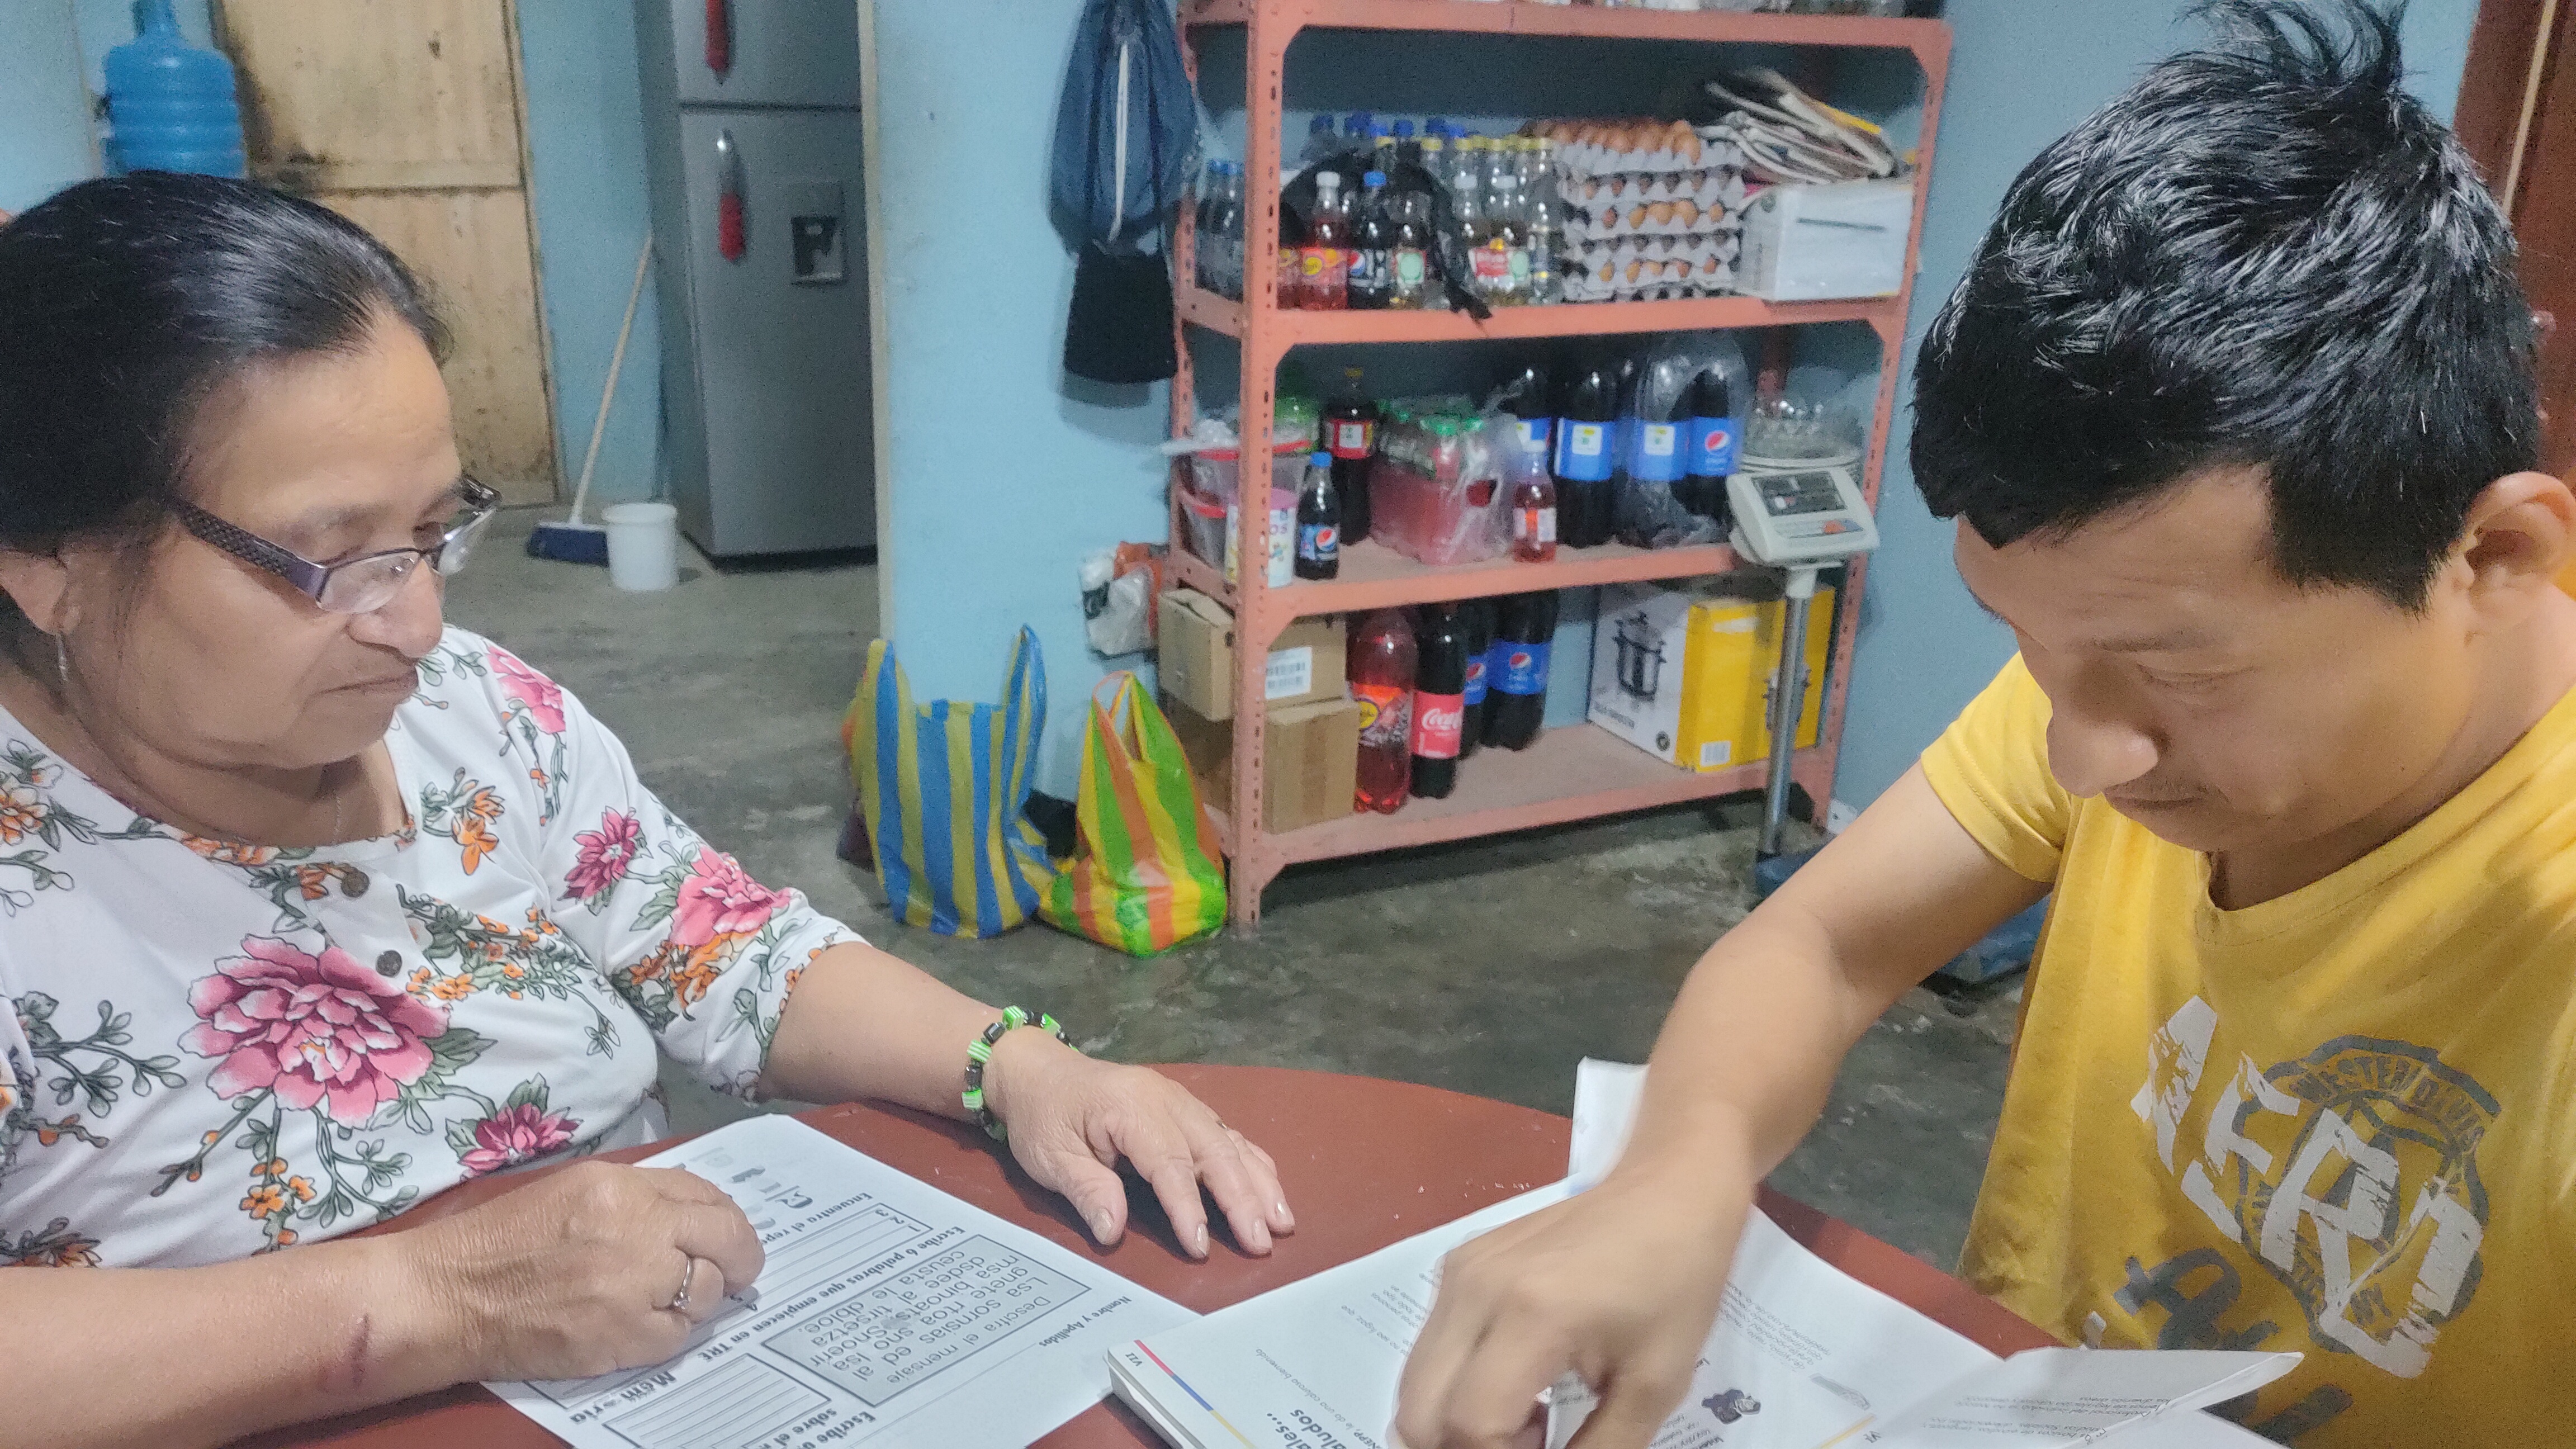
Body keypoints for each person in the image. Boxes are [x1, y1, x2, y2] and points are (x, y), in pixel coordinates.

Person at [1396, 6, 2573, 1447]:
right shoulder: (2119, 669)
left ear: (2493, 562)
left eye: (2174, 674)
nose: (2080, 755)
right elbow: (1823, 946)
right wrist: (1676, 1177)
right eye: (2027, 645)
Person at [0, 173, 1295, 1446]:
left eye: (434, 536)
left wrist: (1017, 1065)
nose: (418, 624)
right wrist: (439, 1299)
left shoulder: (475, 714)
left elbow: (719, 945)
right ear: (52, 562)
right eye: (336, 559)